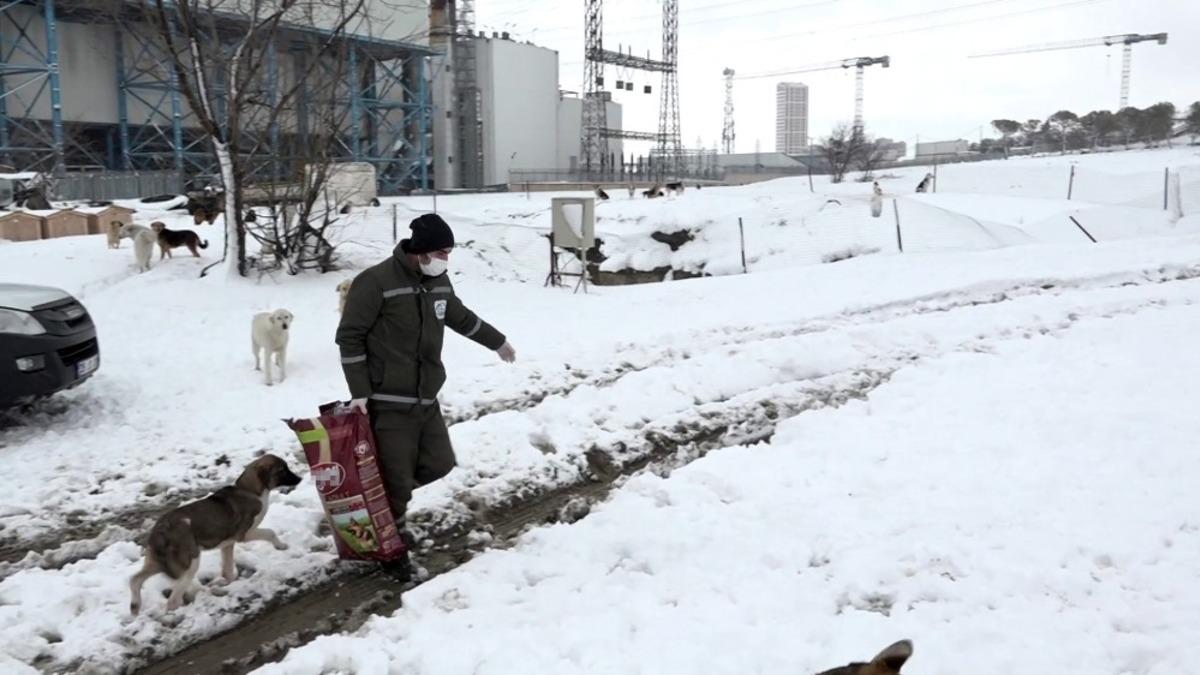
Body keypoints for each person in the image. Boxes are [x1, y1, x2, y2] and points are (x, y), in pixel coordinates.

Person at [335, 213, 516, 580]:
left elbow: (460, 317)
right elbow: (349, 337)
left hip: (425, 396)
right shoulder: (375, 282)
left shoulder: (438, 281)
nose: (446, 259)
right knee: (397, 480)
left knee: (439, 462)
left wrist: (497, 342)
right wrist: (360, 393)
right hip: (388, 400)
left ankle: (383, 502)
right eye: (442, 252)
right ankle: (391, 546)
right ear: (421, 252)